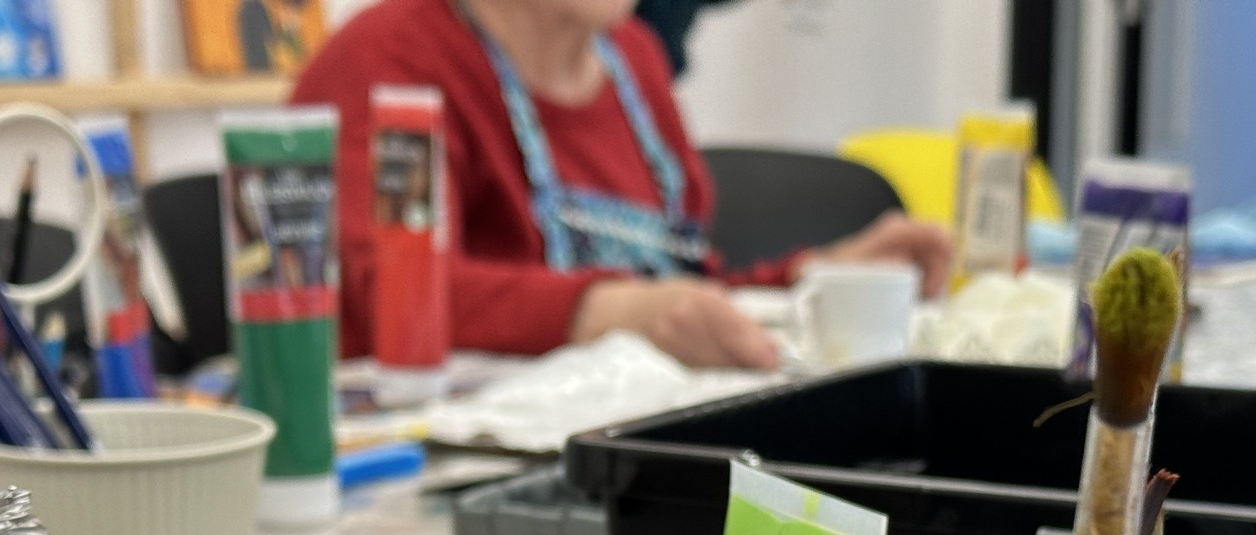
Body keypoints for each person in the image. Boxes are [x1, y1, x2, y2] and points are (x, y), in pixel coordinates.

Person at [292, 0, 951, 366]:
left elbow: (680, 287)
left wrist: (816, 281)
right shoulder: (391, 58)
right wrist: (609, 312)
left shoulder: (635, 58)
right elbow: (392, 295)